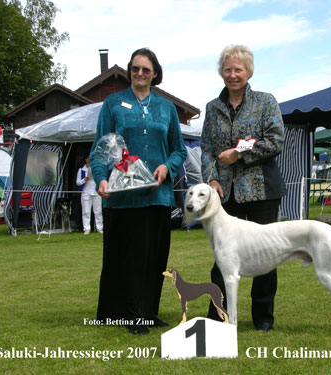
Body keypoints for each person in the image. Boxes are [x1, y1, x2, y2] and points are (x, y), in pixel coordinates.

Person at [90, 48, 187, 334]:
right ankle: (132, 315)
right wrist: (100, 179)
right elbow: (100, 150)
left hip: (158, 196)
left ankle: (149, 311)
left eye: (146, 69)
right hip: (123, 198)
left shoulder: (167, 108)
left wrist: (167, 167)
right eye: (135, 69)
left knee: (155, 258)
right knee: (129, 257)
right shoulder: (113, 104)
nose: (140, 74)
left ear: (155, 73)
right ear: (129, 71)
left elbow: (179, 150)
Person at [200, 45, 285, 332]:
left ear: (249, 72)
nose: (232, 75)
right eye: (227, 69)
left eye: (238, 69)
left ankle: (263, 317)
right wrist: (211, 179)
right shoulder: (213, 108)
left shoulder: (265, 101)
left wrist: (240, 154)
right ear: (221, 73)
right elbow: (207, 148)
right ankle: (218, 313)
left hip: (261, 189)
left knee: (266, 254)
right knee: (221, 258)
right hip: (224, 193)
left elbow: (275, 140)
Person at [76, 155, 103, 234]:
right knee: (86, 211)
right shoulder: (82, 170)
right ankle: (86, 228)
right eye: (89, 158)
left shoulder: (96, 169)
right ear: (86, 159)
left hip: (96, 192)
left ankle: (99, 228)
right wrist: (84, 180)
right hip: (86, 192)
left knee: (98, 211)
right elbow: (78, 182)